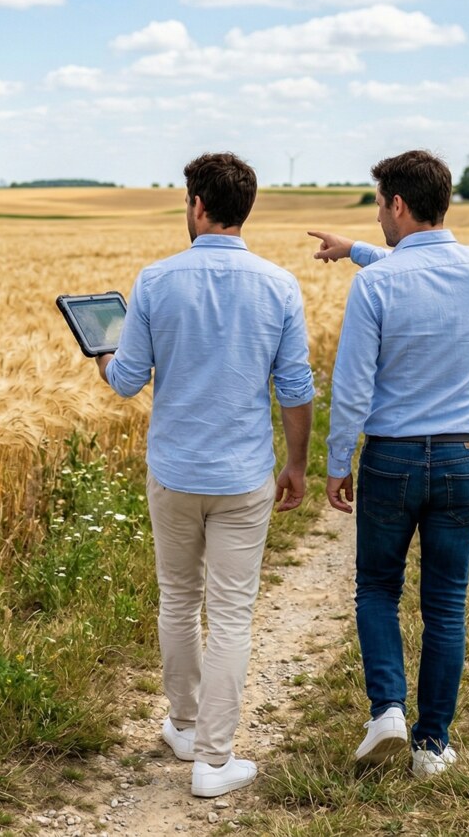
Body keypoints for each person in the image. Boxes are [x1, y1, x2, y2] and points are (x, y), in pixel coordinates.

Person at [98, 152, 315, 798]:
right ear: (243, 209)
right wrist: (297, 463)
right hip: (243, 476)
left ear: (197, 205)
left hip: (174, 471)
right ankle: (212, 760)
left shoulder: (156, 281)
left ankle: (186, 725)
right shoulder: (278, 285)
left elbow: (128, 380)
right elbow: (296, 389)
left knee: (178, 598)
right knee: (230, 614)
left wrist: (104, 357)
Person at [308, 149, 469, 777]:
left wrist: (338, 462)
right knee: (446, 602)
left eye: (378, 206)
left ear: (397, 203)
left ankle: (386, 712)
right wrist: (357, 249)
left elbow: (352, 385)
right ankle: (431, 746)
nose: (377, 219)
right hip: (461, 458)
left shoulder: (377, 284)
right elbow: (417, 265)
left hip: (391, 459)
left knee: (378, 588)